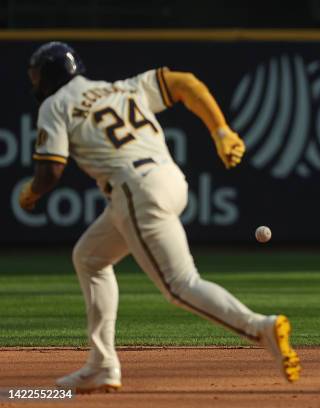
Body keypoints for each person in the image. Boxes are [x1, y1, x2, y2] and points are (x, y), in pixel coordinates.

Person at [19, 41, 301, 393]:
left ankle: (261, 327)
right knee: (89, 258)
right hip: (169, 179)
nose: (34, 84)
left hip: (136, 190)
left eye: (35, 76)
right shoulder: (118, 88)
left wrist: (29, 193)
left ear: (46, 77)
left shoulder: (54, 105)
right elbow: (185, 83)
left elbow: (50, 173)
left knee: (179, 285)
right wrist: (221, 130)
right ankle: (102, 364)